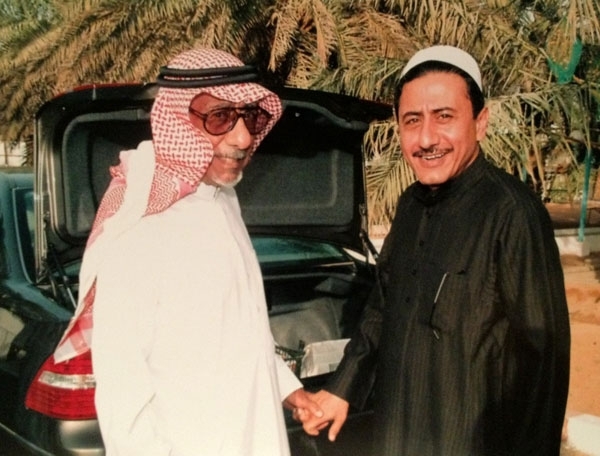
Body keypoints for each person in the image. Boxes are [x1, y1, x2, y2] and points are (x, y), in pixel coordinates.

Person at [300, 45, 571, 455]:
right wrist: (343, 388)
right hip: (397, 433)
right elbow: (381, 308)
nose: (427, 139)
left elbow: (543, 365)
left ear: (480, 121)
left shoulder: (513, 213)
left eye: (444, 117)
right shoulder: (410, 205)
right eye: (413, 120)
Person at [52, 48, 322, 455]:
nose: (243, 138)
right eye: (220, 117)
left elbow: (242, 330)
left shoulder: (221, 199)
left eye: (250, 117)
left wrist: (290, 392)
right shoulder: (141, 228)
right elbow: (124, 400)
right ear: (177, 119)